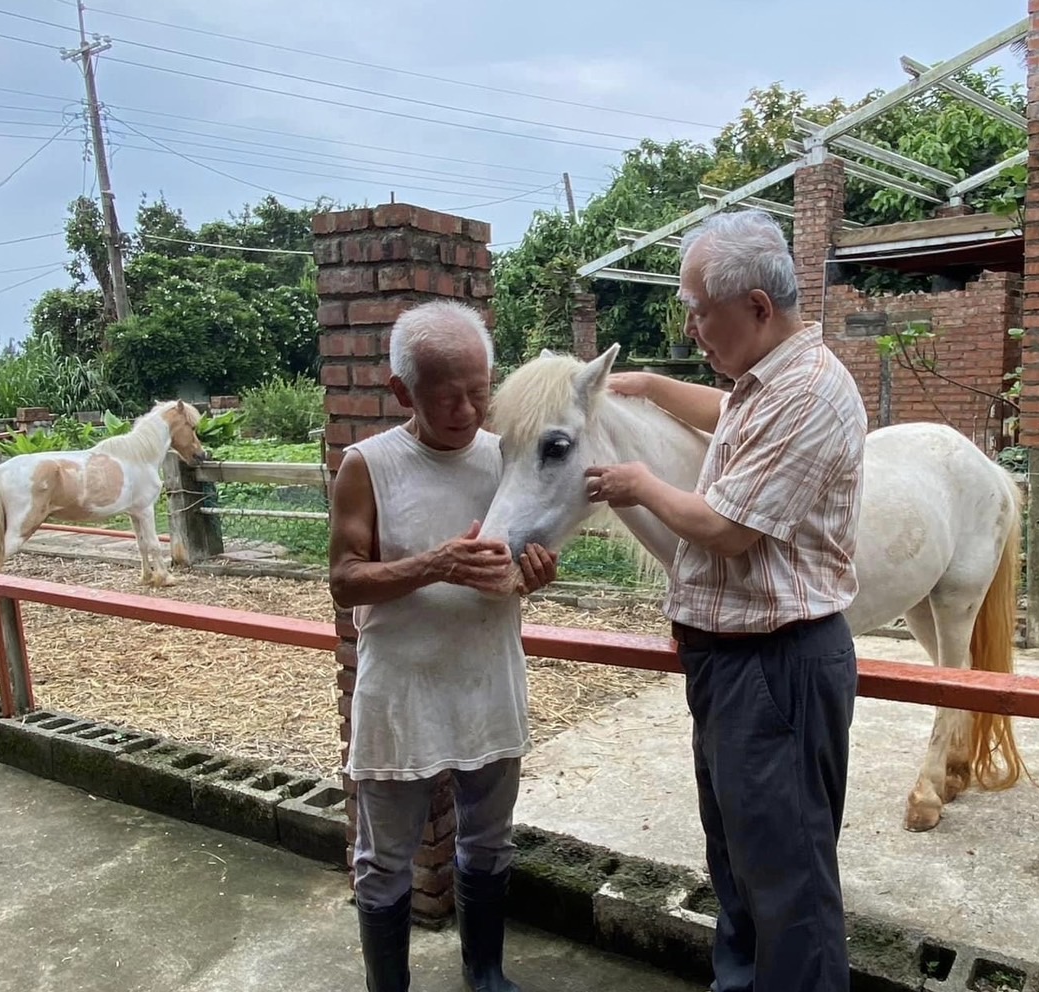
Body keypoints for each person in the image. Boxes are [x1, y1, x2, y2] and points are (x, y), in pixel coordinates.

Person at [583, 209, 868, 992]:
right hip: (734, 666)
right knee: (739, 862)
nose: (690, 324)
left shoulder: (808, 391)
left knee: (788, 880)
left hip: (775, 668)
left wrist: (637, 483)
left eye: (698, 309)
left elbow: (727, 530)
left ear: (755, 308)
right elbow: (727, 416)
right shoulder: (764, 382)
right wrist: (643, 387)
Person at [327, 299, 559, 992]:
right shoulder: (368, 465)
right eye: (444, 395)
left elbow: (527, 562)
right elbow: (343, 581)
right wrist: (435, 564)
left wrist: (533, 575)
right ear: (402, 392)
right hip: (400, 689)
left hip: (488, 680)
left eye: (478, 391)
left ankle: (484, 972)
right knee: (384, 857)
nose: (465, 409)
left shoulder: (507, 460)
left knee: (489, 840)